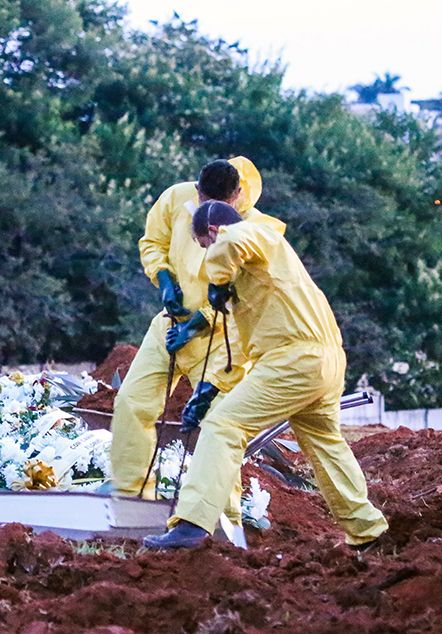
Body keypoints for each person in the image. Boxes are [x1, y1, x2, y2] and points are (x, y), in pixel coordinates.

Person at [143, 200, 388, 550]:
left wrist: (217, 278)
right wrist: (209, 389)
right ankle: (368, 531)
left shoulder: (251, 234)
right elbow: (240, 346)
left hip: (294, 359)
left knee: (223, 426)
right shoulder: (260, 272)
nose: (206, 256)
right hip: (323, 363)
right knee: (324, 443)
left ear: (213, 231)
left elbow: (229, 243)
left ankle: (193, 524)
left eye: (203, 246)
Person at [109, 157, 285, 526]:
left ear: (236, 197)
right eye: (201, 201)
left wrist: (201, 321)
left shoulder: (260, 231)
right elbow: (153, 241)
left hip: (223, 340)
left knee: (220, 427)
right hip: (169, 324)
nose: (206, 211)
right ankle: (132, 501)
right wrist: (164, 279)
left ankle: (223, 517)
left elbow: (245, 300)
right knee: (132, 402)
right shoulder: (176, 197)